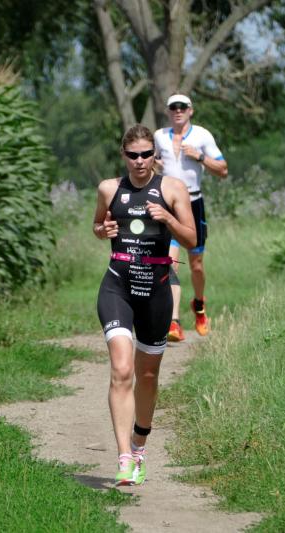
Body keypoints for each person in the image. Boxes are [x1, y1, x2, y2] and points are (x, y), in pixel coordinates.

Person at [93, 124, 196, 486]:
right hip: (117, 287)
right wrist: (102, 231)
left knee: (148, 375)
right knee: (122, 369)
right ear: (124, 155)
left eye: (146, 154)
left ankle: (139, 444)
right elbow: (98, 225)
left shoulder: (173, 188)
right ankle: (124, 458)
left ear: (155, 155)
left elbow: (191, 238)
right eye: (133, 155)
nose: (139, 161)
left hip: (156, 290)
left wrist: (167, 218)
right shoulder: (109, 189)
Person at [153, 93, 228, 341]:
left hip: (194, 203)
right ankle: (173, 321)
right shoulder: (159, 136)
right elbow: (150, 163)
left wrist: (200, 157)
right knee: (170, 262)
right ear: (167, 111)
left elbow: (223, 170)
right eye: (173, 107)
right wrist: (154, 165)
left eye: (182, 107)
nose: (178, 110)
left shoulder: (202, 136)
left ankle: (199, 305)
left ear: (190, 110)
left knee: (196, 265)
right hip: (168, 204)